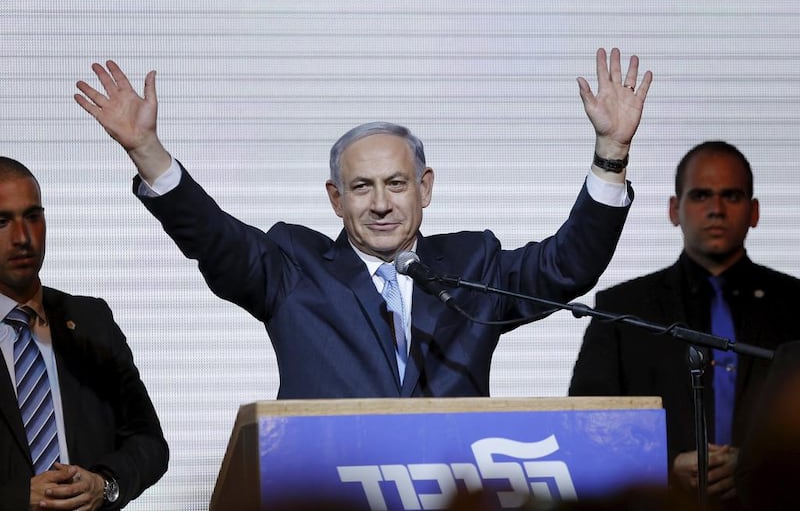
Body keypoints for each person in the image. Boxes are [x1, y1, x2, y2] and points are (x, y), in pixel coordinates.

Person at [73, 48, 651, 399]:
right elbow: (214, 238)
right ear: (335, 199)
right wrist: (148, 151)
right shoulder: (291, 268)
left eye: (396, 184)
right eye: (362, 187)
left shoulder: (472, 266)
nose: (380, 204)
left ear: (424, 189)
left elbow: (567, 266)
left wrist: (610, 153)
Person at [569, 141, 800, 508]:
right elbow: (586, 422)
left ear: (754, 212)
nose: (716, 209)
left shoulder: (796, 305)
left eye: (732, 196)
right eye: (701, 195)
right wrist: (663, 466)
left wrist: (757, 464)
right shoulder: (622, 309)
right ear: (674, 210)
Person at [0, 157, 168, 510]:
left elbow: (149, 442)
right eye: (2, 222)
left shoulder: (91, 321)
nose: (23, 239)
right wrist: (16, 498)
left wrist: (104, 483)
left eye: (33, 216)